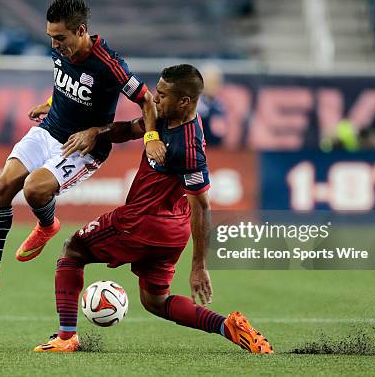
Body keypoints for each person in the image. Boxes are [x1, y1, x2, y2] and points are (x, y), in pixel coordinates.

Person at [33, 64, 274, 354]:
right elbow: (129, 129)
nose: (155, 99)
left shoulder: (188, 146)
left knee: (73, 249)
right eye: (157, 91)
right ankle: (228, 326)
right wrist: (95, 132)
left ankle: (66, 337)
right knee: (155, 302)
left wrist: (199, 266)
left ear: (185, 101)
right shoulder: (163, 116)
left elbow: (202, 206)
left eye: (162, 94)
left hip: (140, 222)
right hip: (171, 233)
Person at [0, 0, 166, 293]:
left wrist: (148, 138)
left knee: (34, 188)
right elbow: (66, 83)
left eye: (60, 38)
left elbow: (147, 101)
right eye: (50, 37)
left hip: (82, 147)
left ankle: (47, 225)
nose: (54, 44)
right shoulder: (62, 51)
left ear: (81, 31)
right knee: (3, 186)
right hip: (49, 130)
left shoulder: (110, 65)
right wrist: (49, 103)